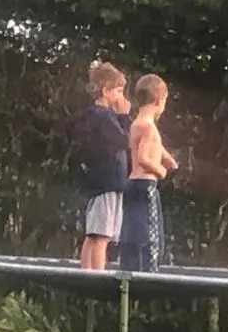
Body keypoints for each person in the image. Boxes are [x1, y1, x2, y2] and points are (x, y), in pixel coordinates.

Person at [73, 62, 132, 270]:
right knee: (102, 236)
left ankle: (86, 273)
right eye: (119, 91)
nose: (121, 97)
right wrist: (124, 116)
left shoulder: (93, 115)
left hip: (98, 182)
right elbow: (124, 140)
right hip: (108, 182)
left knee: (94, 235)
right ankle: (97, 276)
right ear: (106, 91)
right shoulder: (106, 116)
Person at [118, 74, 178, 272]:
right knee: (149, 234)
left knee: (133, 228)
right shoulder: (149, 128)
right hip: (146, 184)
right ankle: (148, 271)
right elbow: (143, 158)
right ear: (158, 100)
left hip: (133, 183)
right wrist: (161, 171)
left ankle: (129, 266)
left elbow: (153, 147)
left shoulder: (137, 123)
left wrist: (169, 160)